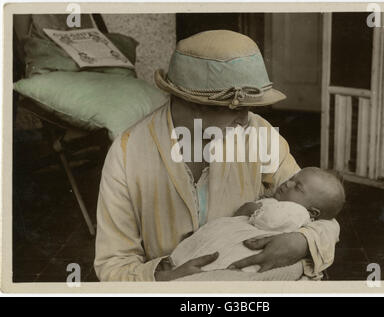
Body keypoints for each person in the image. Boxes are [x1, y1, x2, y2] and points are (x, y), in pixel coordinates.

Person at [94, 30, 340, 281]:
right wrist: (163, 279)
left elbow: (320, 211)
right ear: (192, 103)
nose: (246, 120)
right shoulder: (128, 154)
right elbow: (113, 262)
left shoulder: (259, 133)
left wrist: (301, 241)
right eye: (237, 109)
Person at [169, 167, 345, 279]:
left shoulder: (296, 211)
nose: (287, 183)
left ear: (313, 212)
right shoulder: (286, 202)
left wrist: (302, 240)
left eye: (297, 187)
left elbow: (270, 219)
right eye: (292, 178)